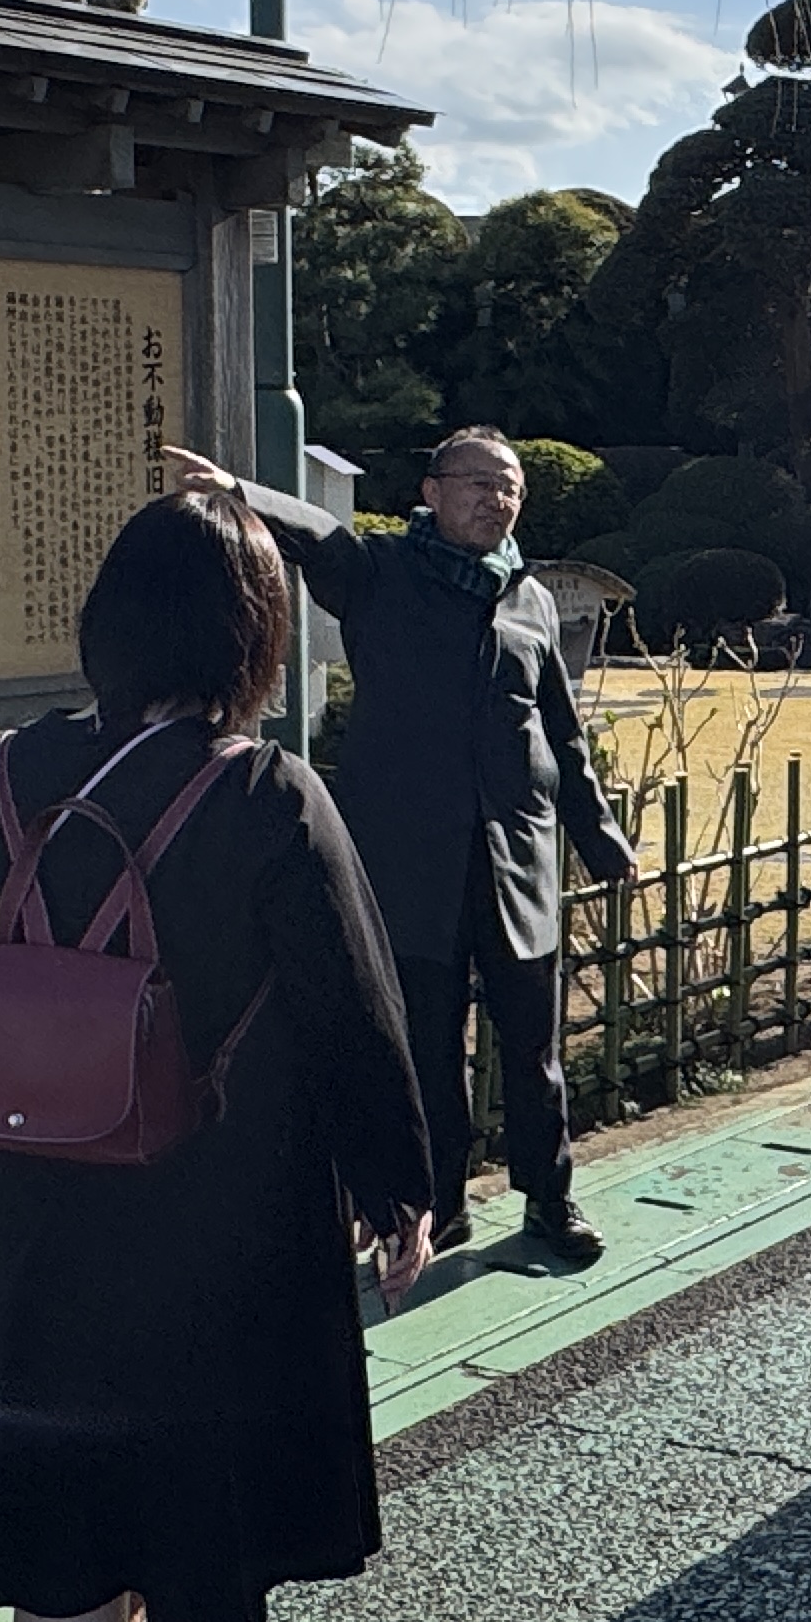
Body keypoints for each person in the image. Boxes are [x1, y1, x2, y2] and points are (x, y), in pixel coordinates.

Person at [0, 488, 435, 1622]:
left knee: (62, 1539)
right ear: (251, 636)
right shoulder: (263, 793)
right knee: (208, 1547)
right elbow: (352, 1013)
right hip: (223, 1231)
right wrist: (400, 1187)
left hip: (31, 1225)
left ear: (107, 623)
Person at [177, 429, 639, 1265]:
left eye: (510, 488)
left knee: (533, 1047)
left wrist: (601, 839)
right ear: (431, 491)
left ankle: (549, 1198)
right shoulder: (381, 574)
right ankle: (440, 1204)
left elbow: (562, 733)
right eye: (480, 484)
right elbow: (320, 537)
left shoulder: (529, 597)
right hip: (411, 857)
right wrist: (238, 494)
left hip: (515, 855)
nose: (497, 500)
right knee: (427, 1044)